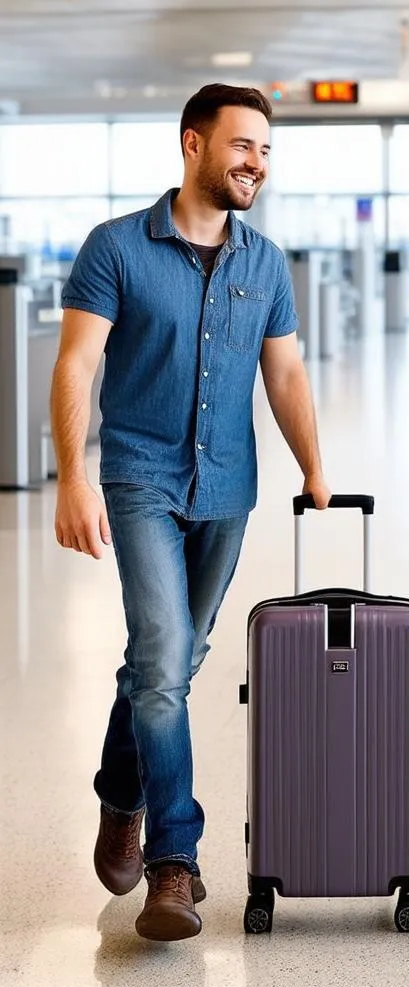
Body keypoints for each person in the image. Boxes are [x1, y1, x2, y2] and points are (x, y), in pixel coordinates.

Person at [50, 83, 332, 942]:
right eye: (243, 145)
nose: (257, 163)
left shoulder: (264, 263)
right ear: (193, 145)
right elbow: (76, 363)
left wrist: (316, 471)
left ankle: (120, 790)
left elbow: (283, 375)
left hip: (227, 490)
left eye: (267, 151)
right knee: (165, 661)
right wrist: (72, 477)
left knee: (169, 661)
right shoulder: (116, 248)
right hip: (139, 476)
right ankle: (177, 863)